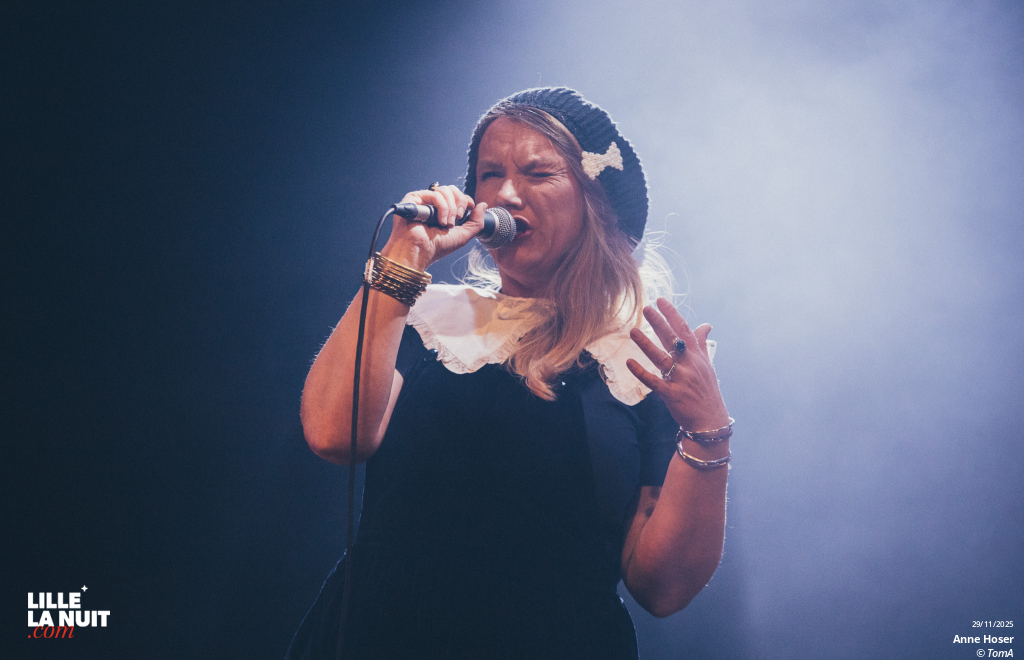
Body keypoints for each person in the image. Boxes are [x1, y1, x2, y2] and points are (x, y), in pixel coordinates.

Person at [287, 87, 732, 660]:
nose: (505, 194)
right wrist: (399, 266)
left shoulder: (644, 354)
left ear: (598, 201)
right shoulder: (428, 318)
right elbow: (333, 434)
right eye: (489, 174)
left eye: (538, 173)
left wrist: (708, 430)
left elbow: (662, 587)